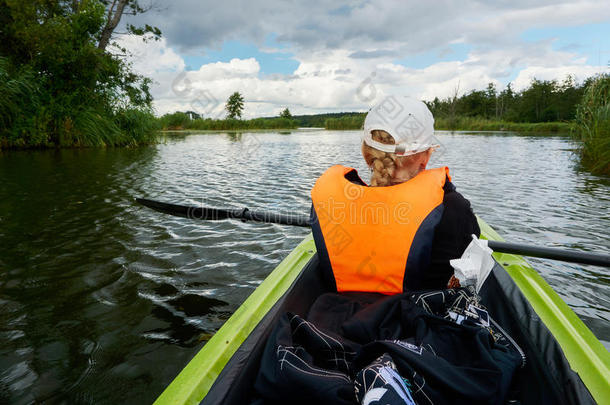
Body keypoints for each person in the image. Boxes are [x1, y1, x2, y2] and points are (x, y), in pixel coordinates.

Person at [310, 96, 480, 293]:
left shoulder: (328, 197)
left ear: (367, 153)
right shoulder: (452, 208)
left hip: (333, 314)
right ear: (425, 157)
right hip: (411, 318)